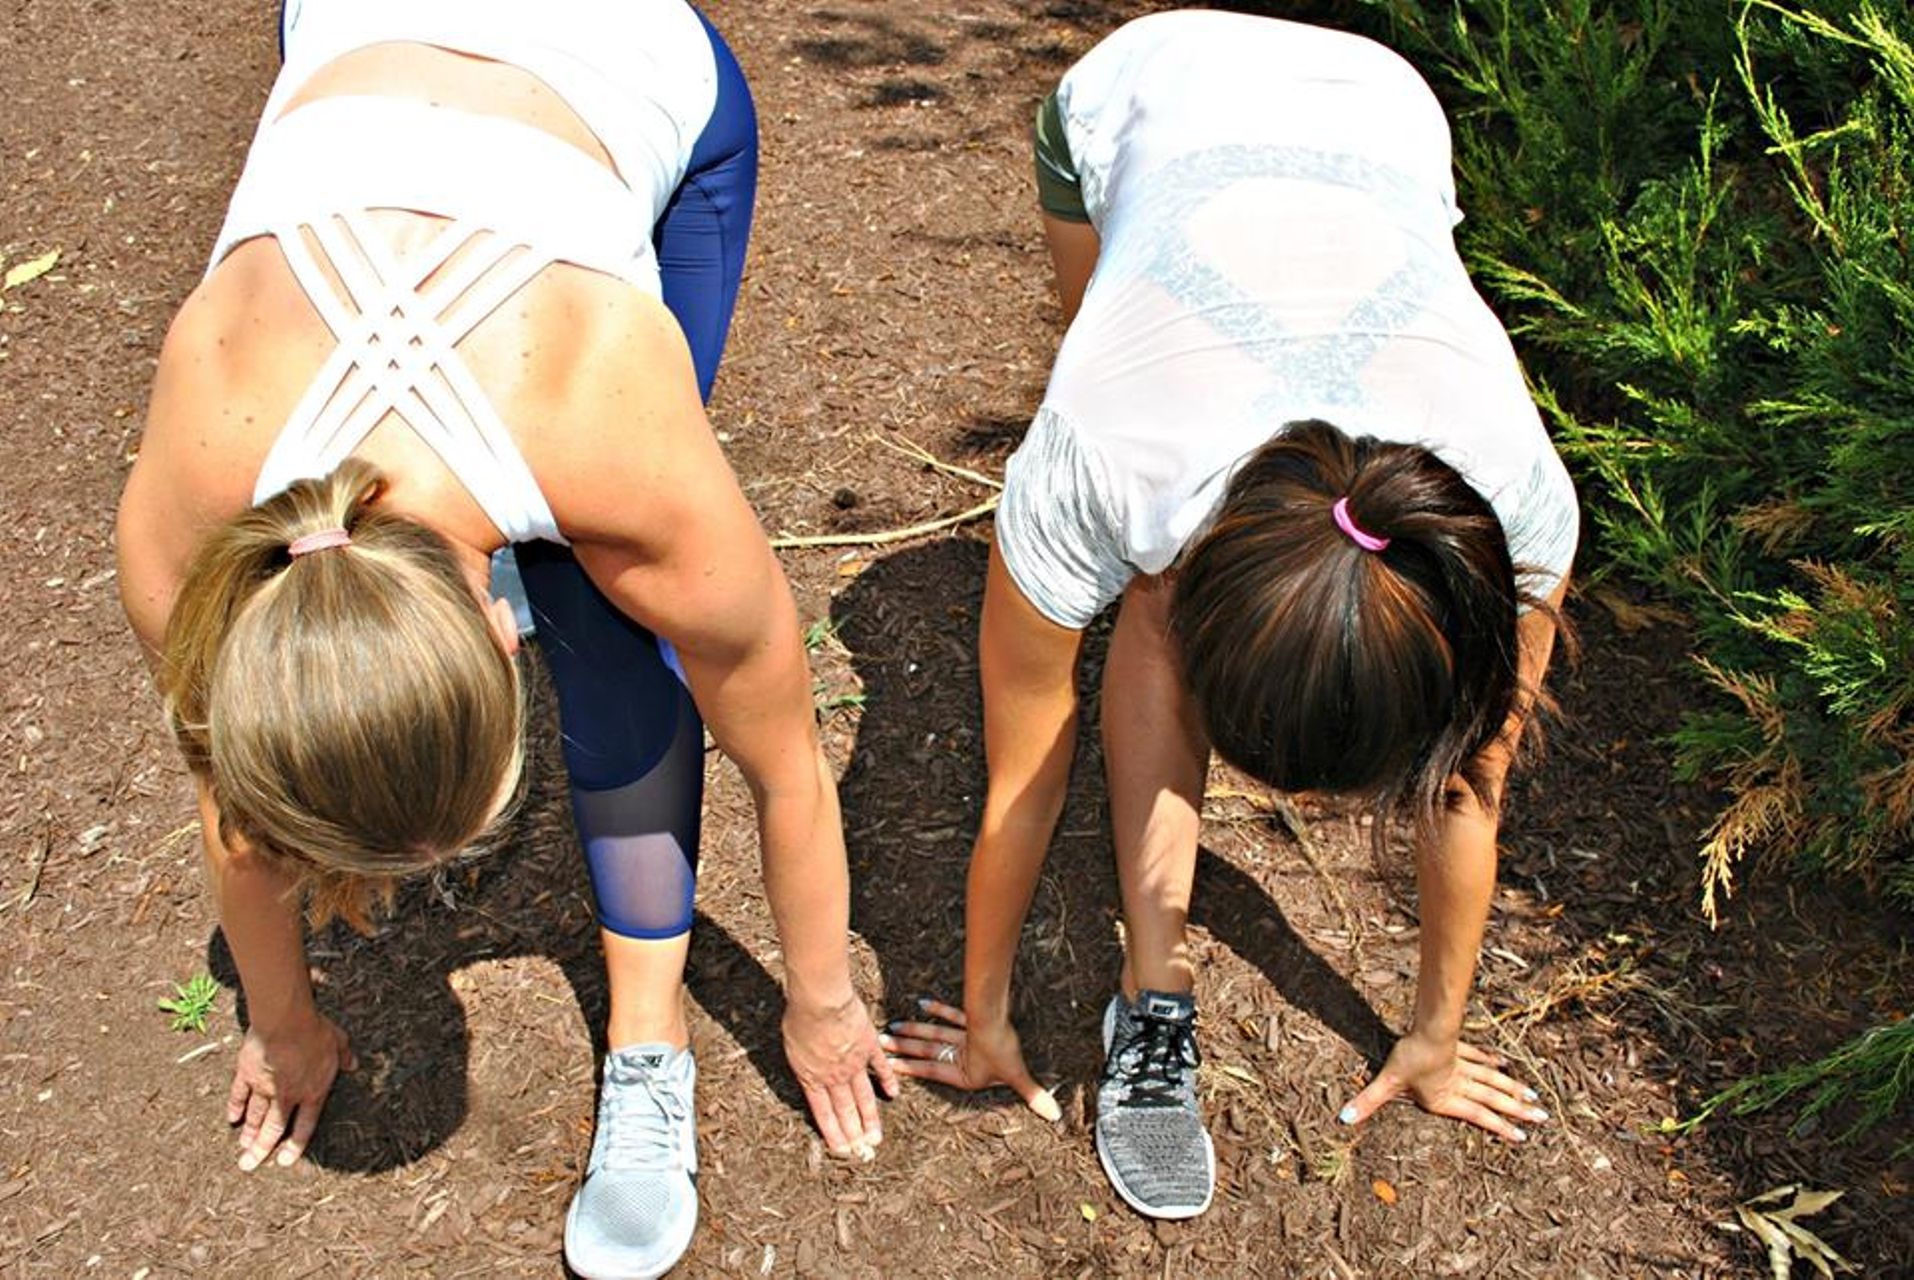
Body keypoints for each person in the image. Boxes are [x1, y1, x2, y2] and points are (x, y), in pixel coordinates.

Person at [115, 2, 895, 1275]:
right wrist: (280, 1017)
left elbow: (785, 755)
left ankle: (652, 1039)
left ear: (493, 621)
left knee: (607, 616)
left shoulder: (605, 419)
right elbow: (236, 785)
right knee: (591, 564)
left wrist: (824, 1000)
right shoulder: (197, 503)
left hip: (620, 45)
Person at [880, 10, 1577, 1221]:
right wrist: (982, 1009)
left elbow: (1476, 778)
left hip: (1379, 105)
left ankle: (1165, 983)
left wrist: (1436, 1035)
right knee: (1148, 559)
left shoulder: (1511, 514)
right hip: (1151, 90)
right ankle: (1156, 991)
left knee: (1163, 560)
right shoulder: (1106, 452)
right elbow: (1025, 772)